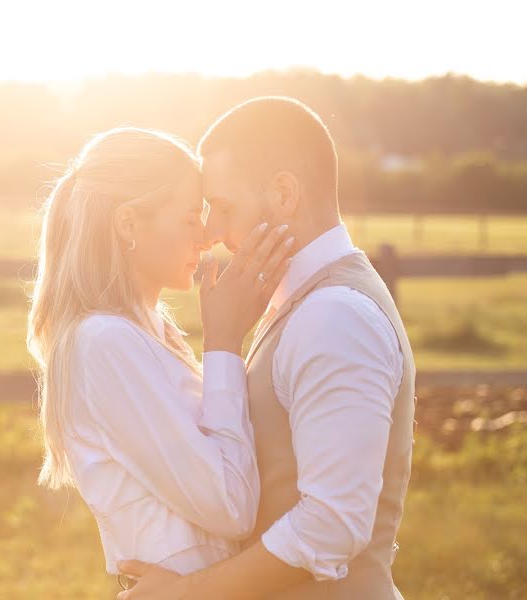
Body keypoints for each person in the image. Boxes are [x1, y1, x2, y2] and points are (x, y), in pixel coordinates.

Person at [116, 97, 416, 599]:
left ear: (283, 193)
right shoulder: (303, 303)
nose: (211, 232)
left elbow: (331, 526)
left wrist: (185, 595)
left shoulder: (334, 315)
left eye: (224, 208)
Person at [26, 127, 294, 589]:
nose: (206, 236)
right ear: (128, 224)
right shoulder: (104, 343)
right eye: (190, 218)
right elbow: (230, 506)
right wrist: (225, 342)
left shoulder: (153, 334)